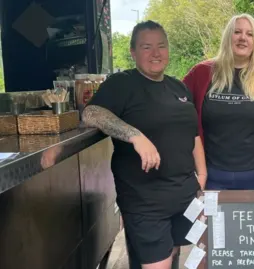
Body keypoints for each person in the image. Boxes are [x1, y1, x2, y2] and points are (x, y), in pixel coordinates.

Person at [82, 20, 207, 269]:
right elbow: (92, 114)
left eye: (161, 46)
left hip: (183, 195)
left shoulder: (178, 87)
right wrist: (135, 135)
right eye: (146, 47)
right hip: (145, 201)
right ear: (133, 52)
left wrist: (202, 174)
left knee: (173, 257)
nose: (156, 53)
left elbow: (192, 135)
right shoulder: (122, 83)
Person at [183, 14, 254, 190]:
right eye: (237, 32)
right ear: (228, 37)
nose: (243, 38)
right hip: (211, 177)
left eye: (250, 34)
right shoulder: (203, 72)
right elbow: (175, 107)